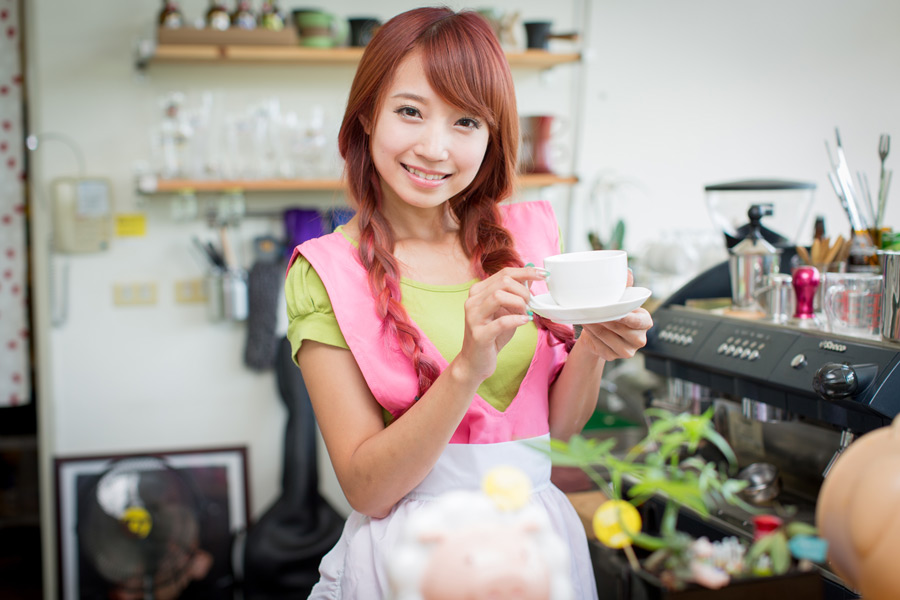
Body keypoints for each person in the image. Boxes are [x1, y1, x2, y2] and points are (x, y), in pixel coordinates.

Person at [285, 7, 653, 599]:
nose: (435, 148)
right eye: (410, 111)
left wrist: (594, 349)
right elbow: (367, 489)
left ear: (492, 136)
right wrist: (466, 368)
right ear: (367, 116)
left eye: (466, 121)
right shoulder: (324, 272)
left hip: (538, 546)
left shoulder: (529, 242)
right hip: (413, 562)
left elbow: (554, 435)